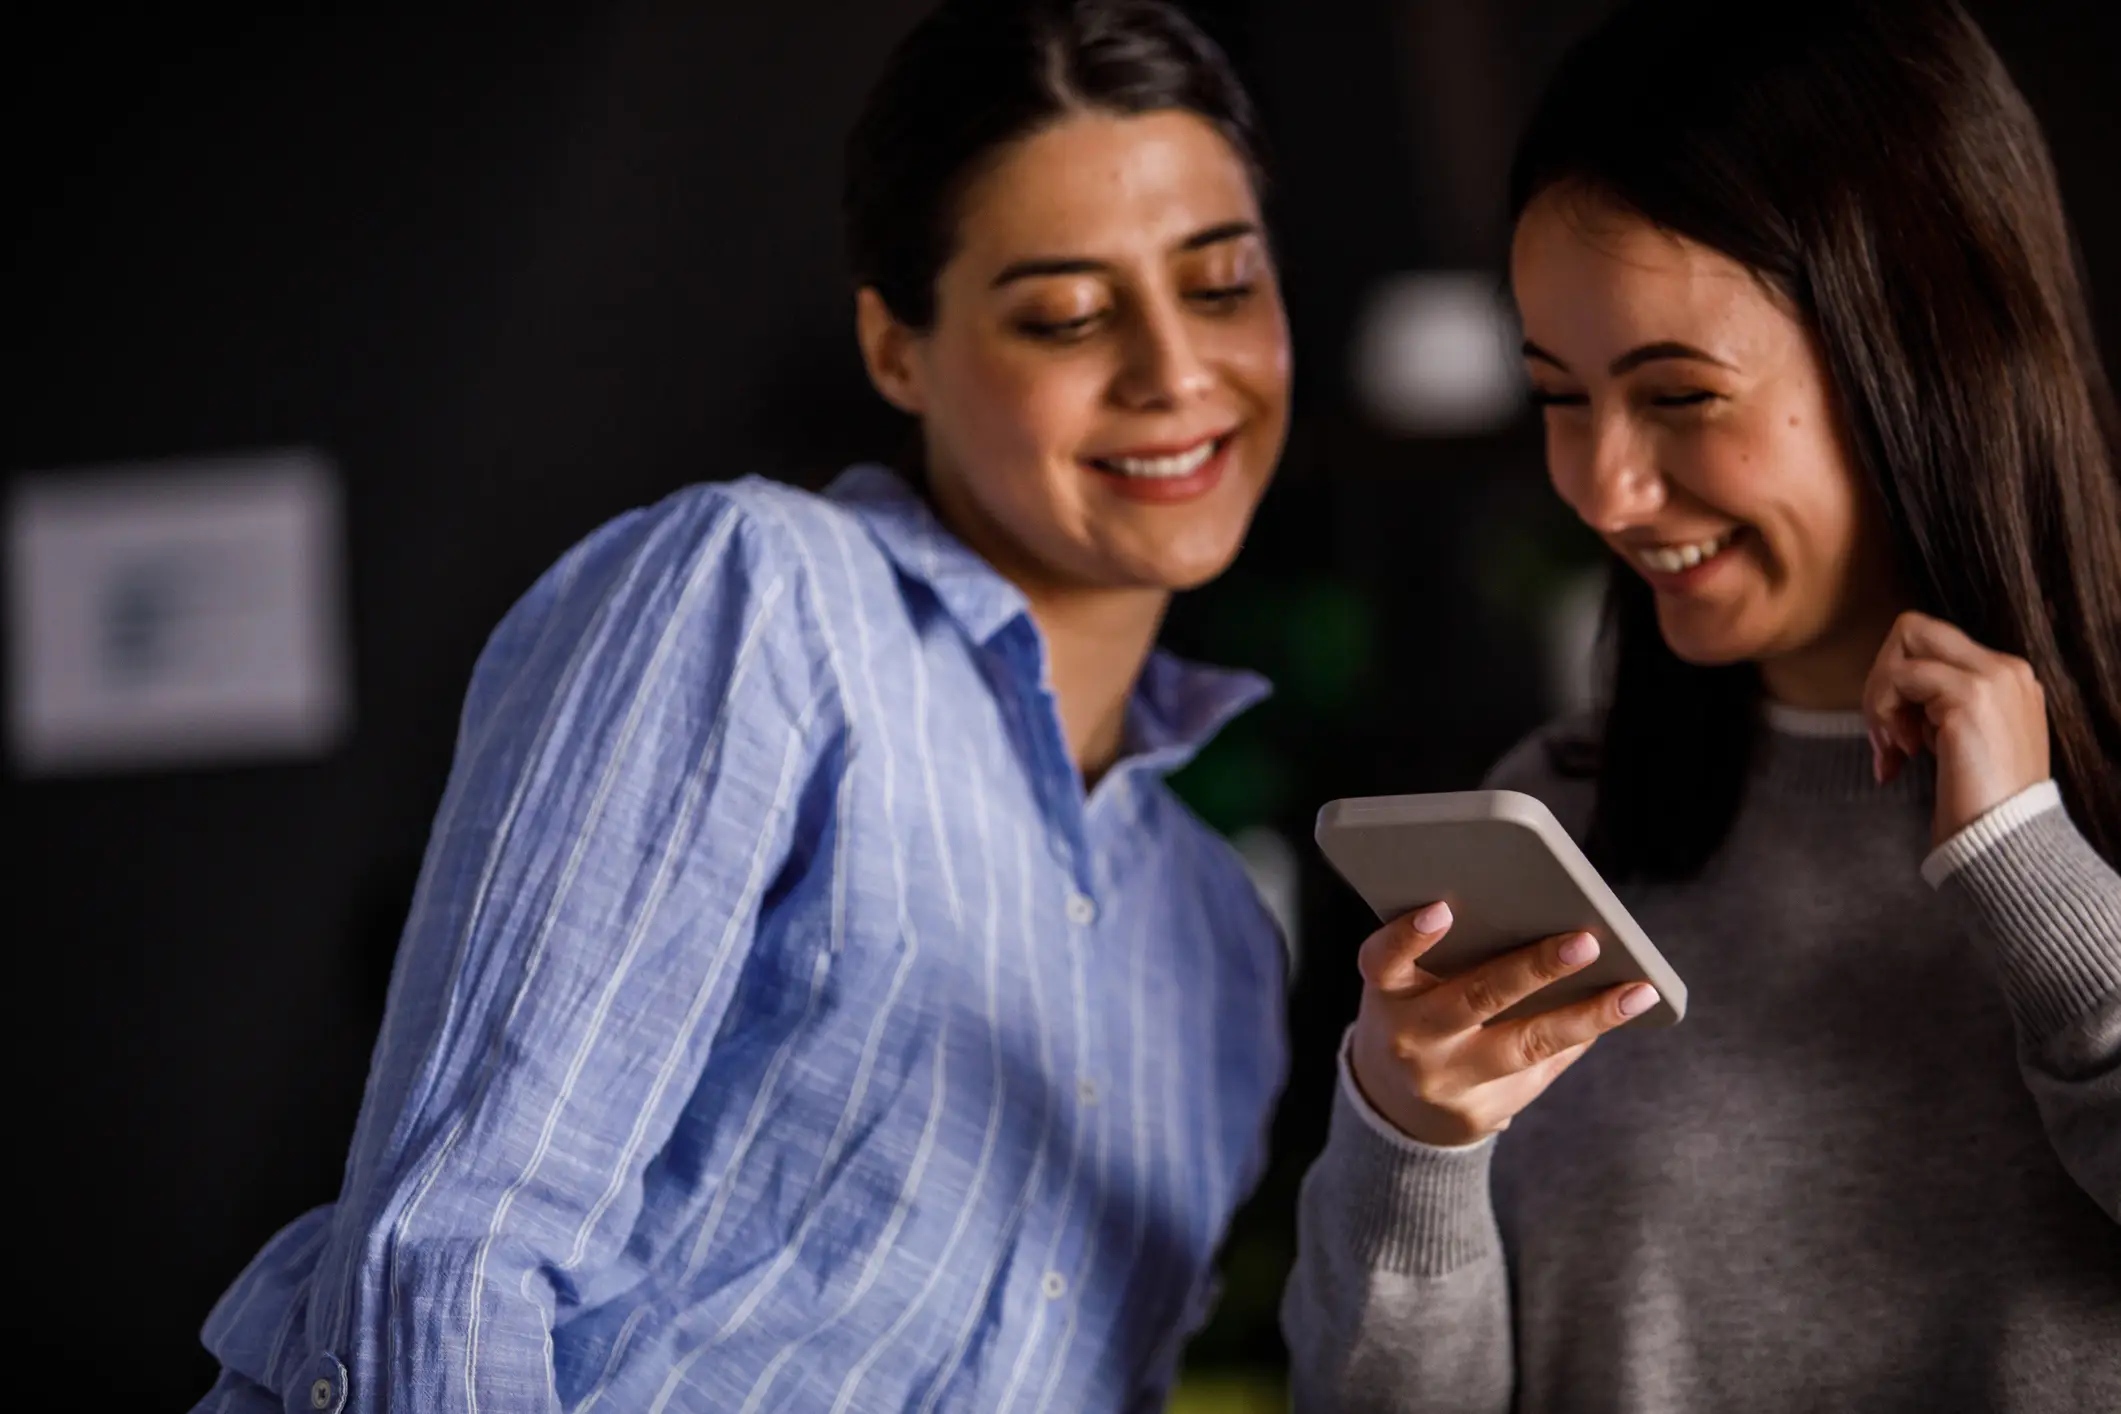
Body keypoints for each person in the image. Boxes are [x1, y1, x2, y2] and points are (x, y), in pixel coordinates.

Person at [193, 2, 1294, 1409]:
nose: (1173, 370)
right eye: (1068, 313)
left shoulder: (1223, 945)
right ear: (897, 349)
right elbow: (455, 1253)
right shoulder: (762, 596)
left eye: (1220, 286)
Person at [1282, 1, 2121, 1409]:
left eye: (1679, 394)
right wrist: (1409, 1140)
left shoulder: (2082, 835)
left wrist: (2032, 869)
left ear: (1917, 352)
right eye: (1559, 394)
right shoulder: (1553, 826)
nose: (1605, 487)